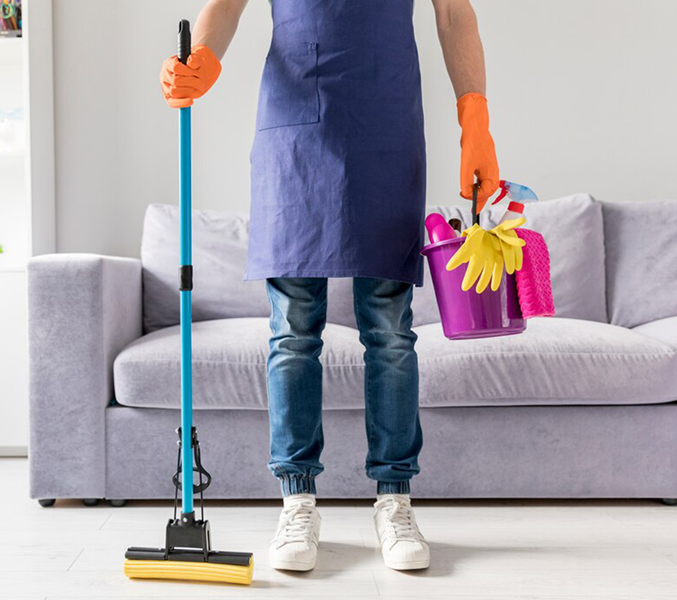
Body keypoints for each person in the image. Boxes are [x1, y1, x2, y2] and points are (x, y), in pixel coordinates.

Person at [160, 0, 499, 572]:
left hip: (386, 121)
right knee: (293, 329)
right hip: (295, 128)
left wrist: (474, 112)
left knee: (390, 327)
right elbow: (226, 5)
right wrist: (203, 60)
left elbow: (452, 12)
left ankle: (394, 499)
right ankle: (297, 500)